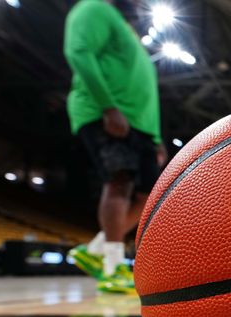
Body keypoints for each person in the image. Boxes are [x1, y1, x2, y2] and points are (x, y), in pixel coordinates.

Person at [63, 0, 167, 293]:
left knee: (150, 197)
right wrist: (108, 107)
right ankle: (112, 268)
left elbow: (146, 88)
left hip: (140, 124)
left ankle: (95, 248)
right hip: (107, 113)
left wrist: (156, 136)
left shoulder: (127, 29)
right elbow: (78, 52)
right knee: (119, 183)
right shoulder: (92, 8)